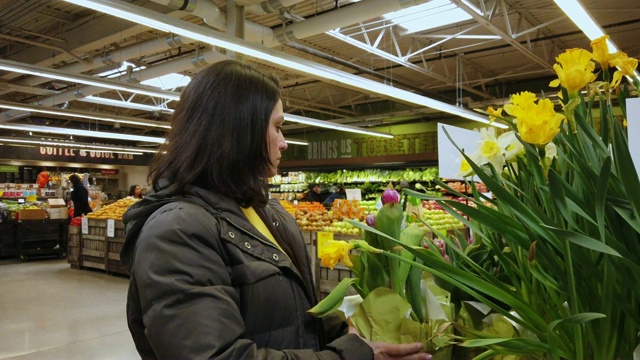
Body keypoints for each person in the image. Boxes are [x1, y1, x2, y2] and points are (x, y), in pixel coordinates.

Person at [120, 60, 431, 360]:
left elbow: (287, 318)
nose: (284, 143)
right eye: (277, 127)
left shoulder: (265, 213)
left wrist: (343, 331)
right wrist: (350, 355)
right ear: (239, 131)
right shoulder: (177, 231)